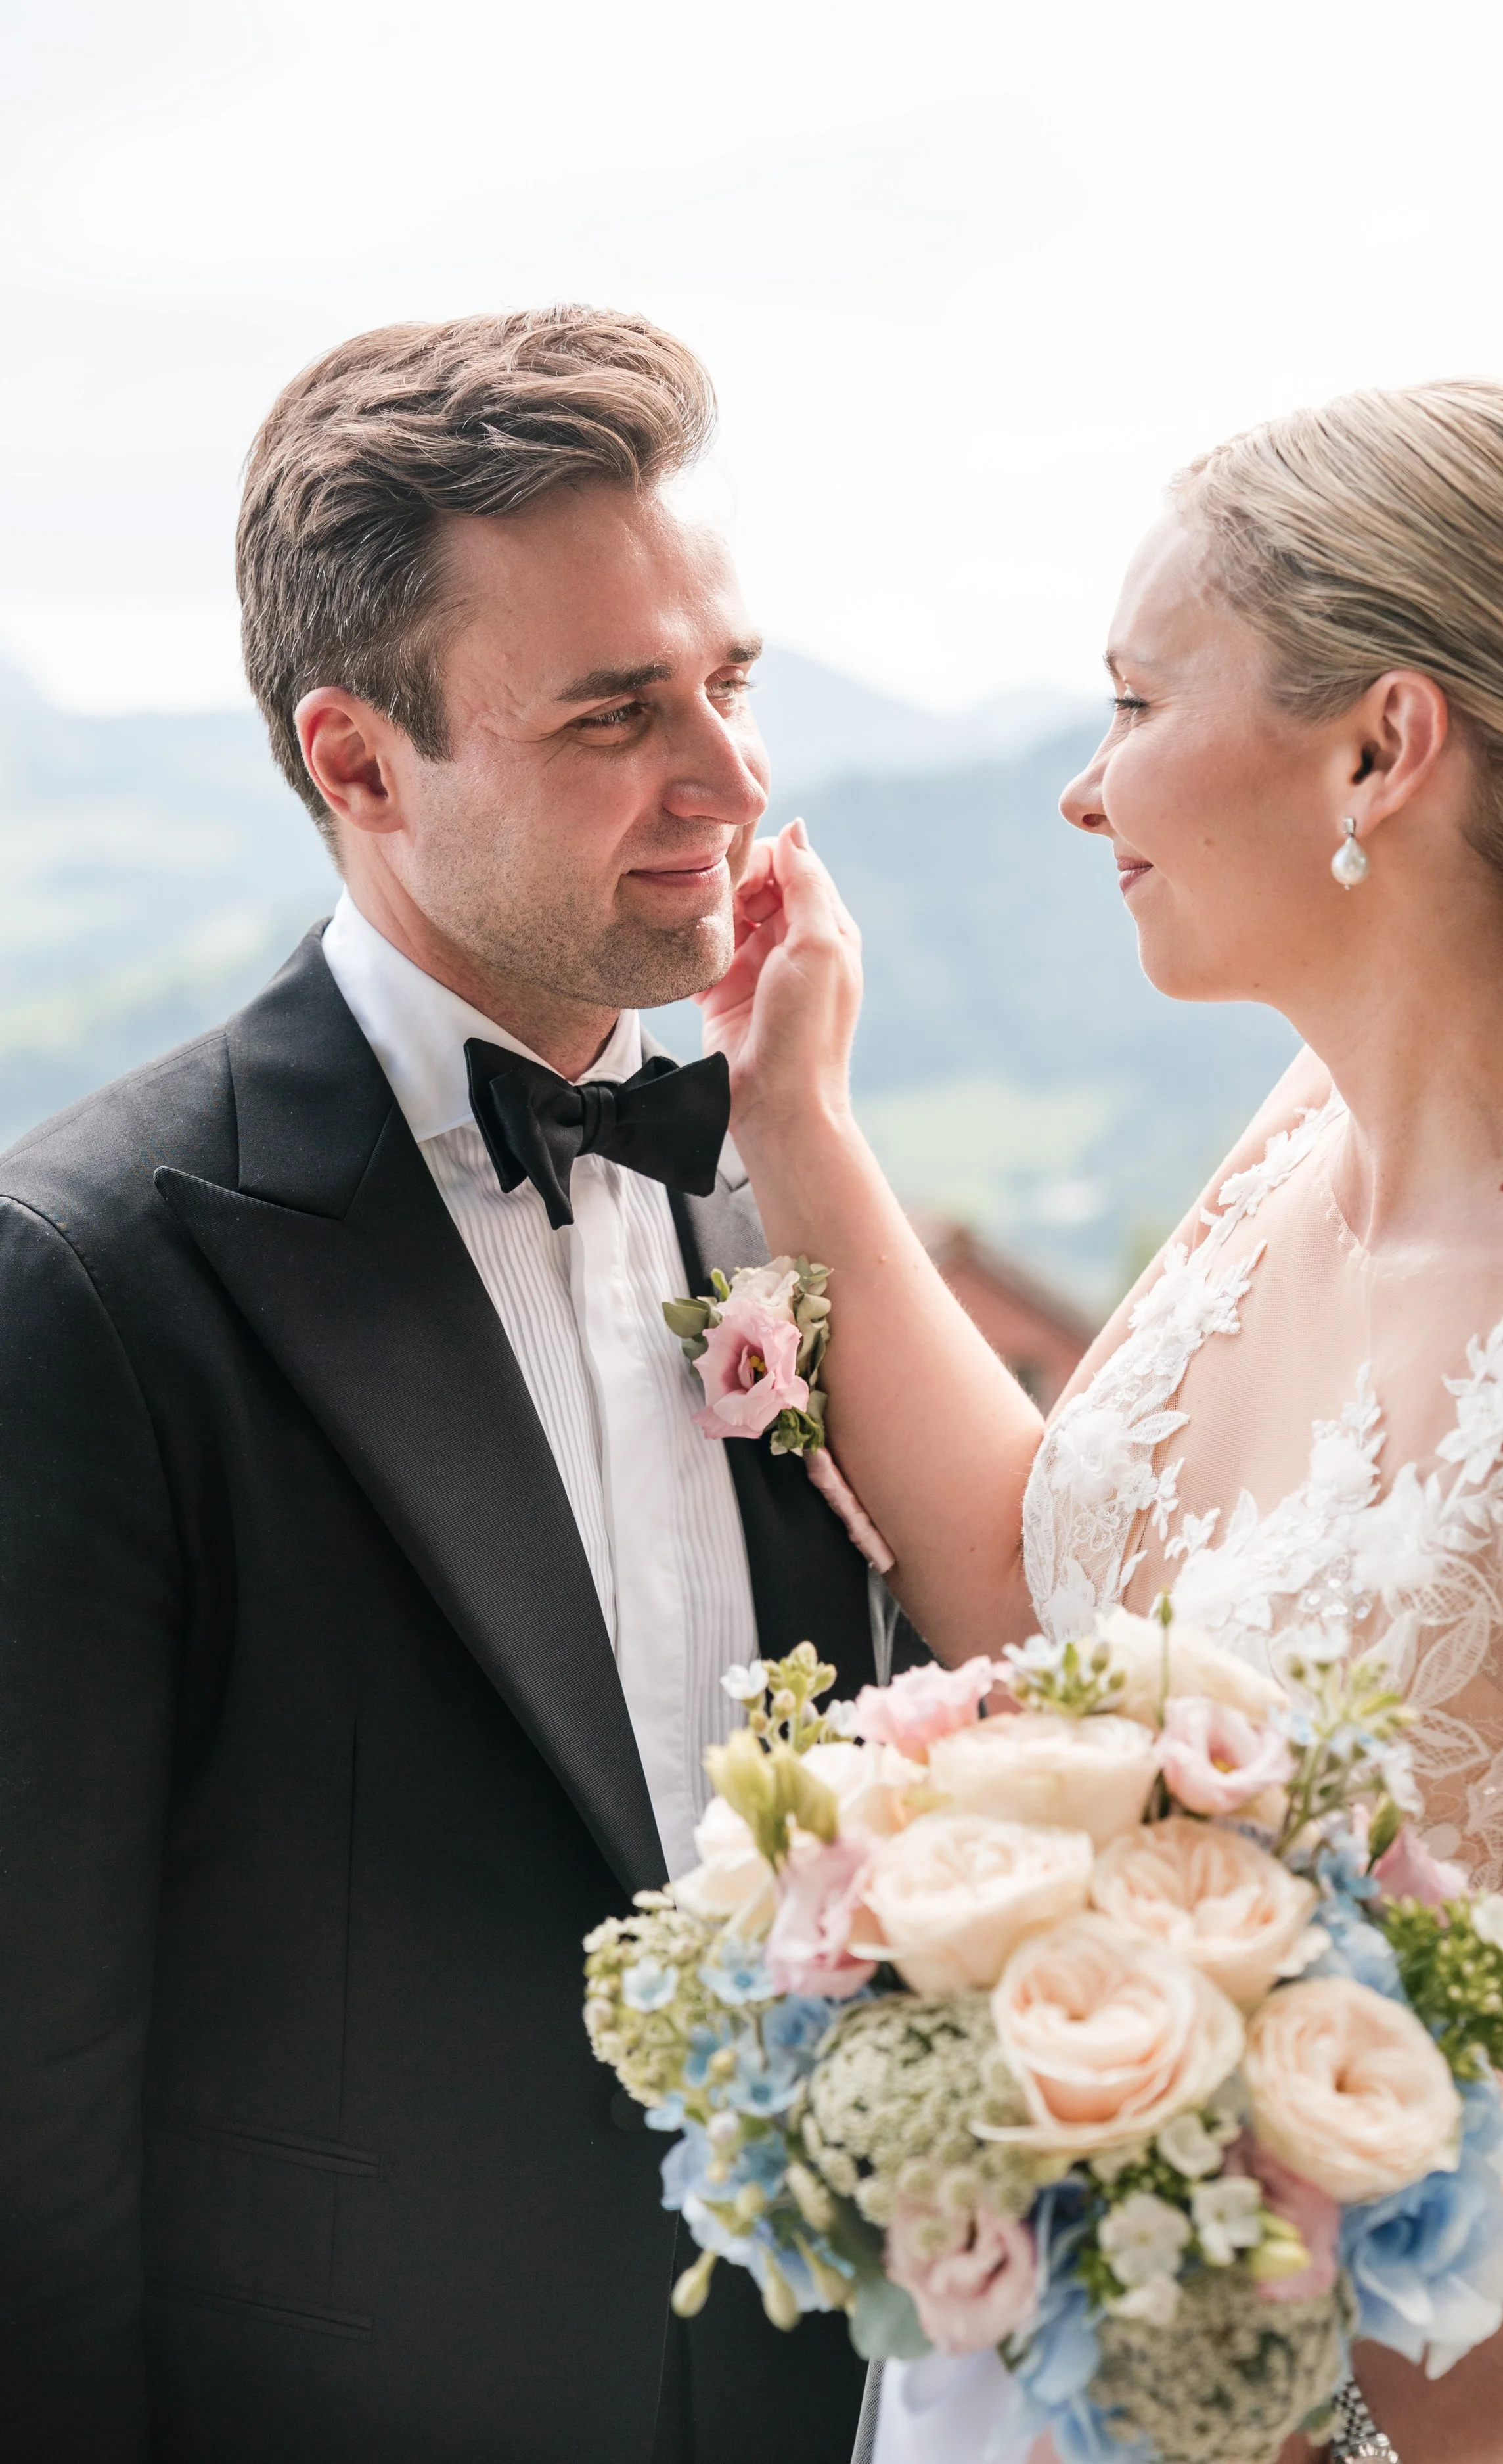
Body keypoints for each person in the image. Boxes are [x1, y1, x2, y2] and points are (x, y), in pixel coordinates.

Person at [0, 309, 910, 2460]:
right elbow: (27, 2107)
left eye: (730, 681)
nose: (727, 776)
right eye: (618, 713)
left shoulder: (785, 1199)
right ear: (357, 762)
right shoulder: (85, 1281)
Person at [707, 380, 1503, 2464]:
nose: (1080, 785)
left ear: (1378, 746)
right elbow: (1049, 1589)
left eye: (1132, 699)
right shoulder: (1298, 1135)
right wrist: (797, 1125)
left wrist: (1321, 2424)